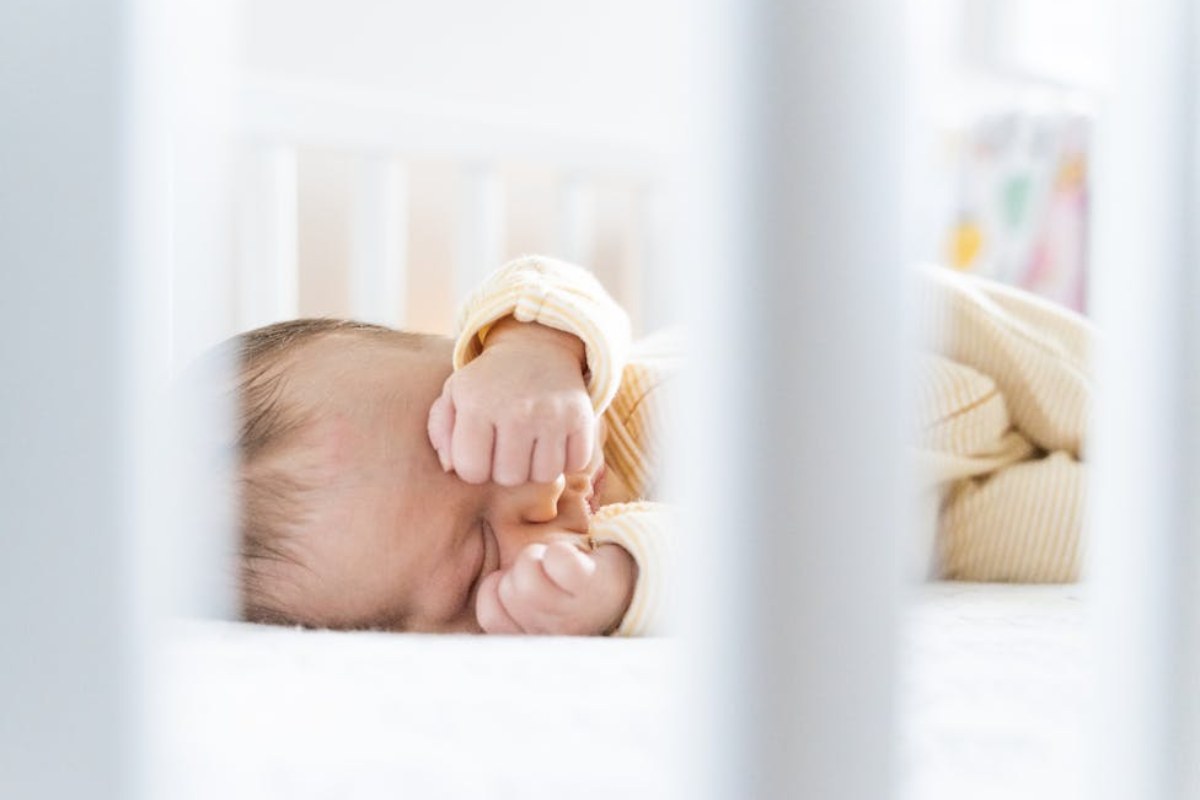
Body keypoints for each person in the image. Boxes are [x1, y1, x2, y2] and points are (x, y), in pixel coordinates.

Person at [233, 255, 1091, 636]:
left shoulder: (579, 375)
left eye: (473, 420)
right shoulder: (602, 570)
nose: (535, 487)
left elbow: (559, 288)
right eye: (482, 551)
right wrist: (621, 584)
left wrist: (529, 354)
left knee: (1118, 395)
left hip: (932, 351)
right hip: (948, 519)